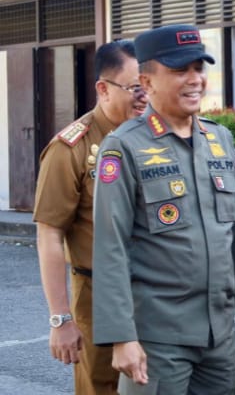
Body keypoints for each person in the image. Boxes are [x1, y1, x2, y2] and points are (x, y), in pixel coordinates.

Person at [91, 24, 235, 394]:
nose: (194, 80)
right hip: (158, 338)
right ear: (147, 81)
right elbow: (111, 248)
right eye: (179, 71)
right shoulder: (124, 147)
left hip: (218, 333)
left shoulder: (219, 139)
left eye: (198, 68)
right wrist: (122, 337)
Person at [34, 40, 147, 395]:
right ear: (103, 88)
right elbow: (50, 235)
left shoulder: (156, 139)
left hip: (159, 293)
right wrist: (61, 319)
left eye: (149, 86)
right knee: (102, 387)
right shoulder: (71, 149)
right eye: (134, 89)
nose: (144, 97)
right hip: (98, 295)